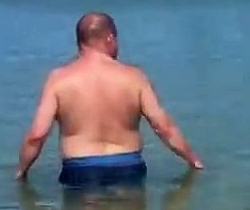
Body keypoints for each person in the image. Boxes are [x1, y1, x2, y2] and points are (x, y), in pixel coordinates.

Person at [15, 13, 203, 186]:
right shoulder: (134, 77)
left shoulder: (59, 79)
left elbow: (37, 135)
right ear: (110, 38)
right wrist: (192, 159)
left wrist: (21, 171)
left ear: (80, 41)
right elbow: (164, 128)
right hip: (128, 165)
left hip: (80, 169)